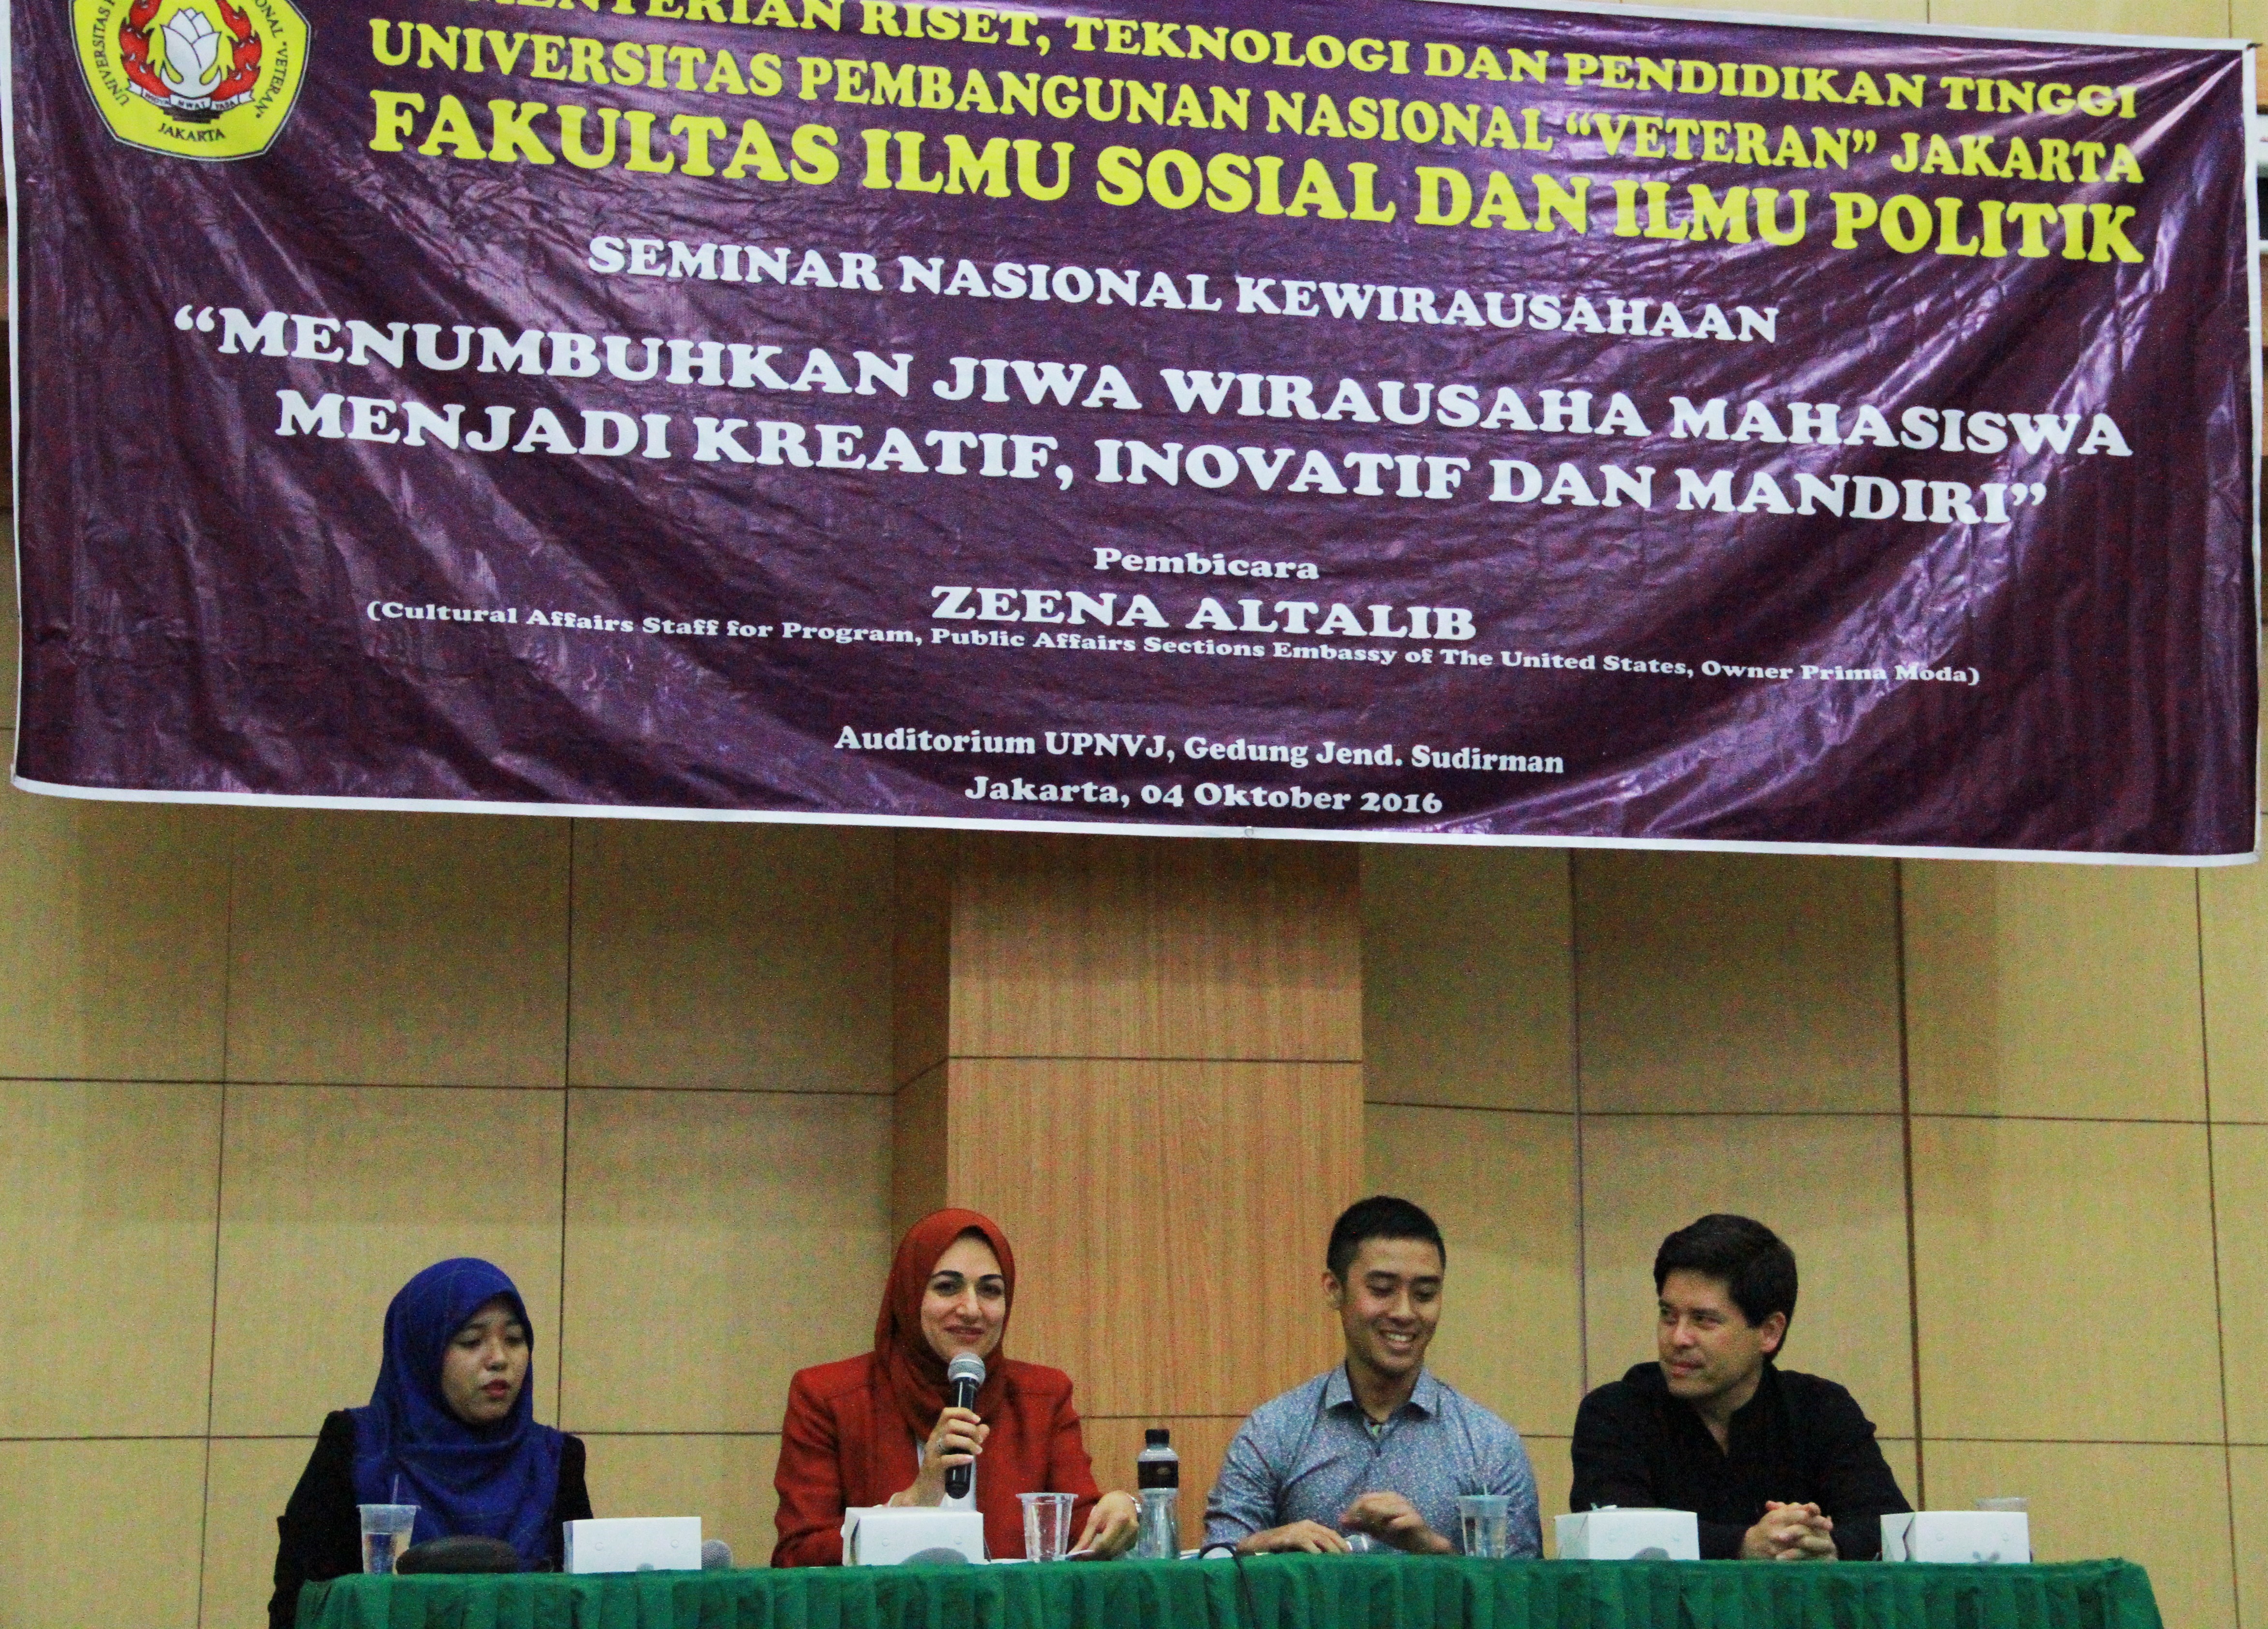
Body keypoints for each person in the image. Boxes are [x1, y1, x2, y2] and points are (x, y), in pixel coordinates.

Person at [771, 1208, 1139, 1564]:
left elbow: (1077, 1534)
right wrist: (909, 1505)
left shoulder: (1042, 1398)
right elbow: (797, 1555)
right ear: (910, 1293)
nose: (972, 1309)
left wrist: (1117, 1513)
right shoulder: (829, 1397)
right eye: (947, 1287)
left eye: (990, 1290)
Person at [1204, 1196, 1541, 1557]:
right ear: (1334, 1289)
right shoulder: (1274, 1430)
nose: (1405, 1312)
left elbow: (1524, 1587)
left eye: (1425, 1294)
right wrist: (1266, 1545)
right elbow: (1214, 1564)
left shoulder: (1489, 1445)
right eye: (1382, 1290)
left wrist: (1436, 1552)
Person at [268, 1258, 591, 1628]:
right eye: (471, 1341)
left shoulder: (554, 1460)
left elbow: (583, 1606)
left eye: (515, 1339)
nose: (499, 1359)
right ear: (422, 1351)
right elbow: (301, 1603)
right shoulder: (359, 1446)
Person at [1570, 1213, 1911, 1561]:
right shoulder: (1616, 1412)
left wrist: (1823, 1545)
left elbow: (1891, 1529)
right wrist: (1742, 1545)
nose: (1678, 1338)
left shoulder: (1821, 1409)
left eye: (1704, 1320)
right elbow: (1613, 1535)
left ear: (1769, 1332)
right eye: (1668, 1315)